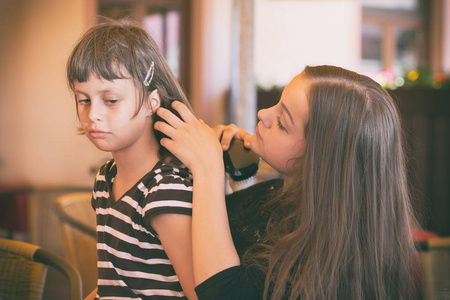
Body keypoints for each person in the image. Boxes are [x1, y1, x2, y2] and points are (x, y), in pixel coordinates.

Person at [154, 65, 419, 299]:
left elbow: (222, 292)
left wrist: (207, 168)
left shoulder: (326, 261)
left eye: (281, 122)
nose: (263, 114)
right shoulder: (277, 193)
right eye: (277, 103)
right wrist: (225, 168)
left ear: (319, 160)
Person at [66, 20, 197, 300]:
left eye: (111, 100)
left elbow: (200, 294)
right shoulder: (105, 179)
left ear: (152, 102)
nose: (93, 115)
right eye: (83, 100)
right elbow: (113, 284)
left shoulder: (165, 191)